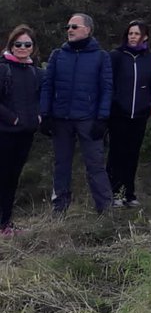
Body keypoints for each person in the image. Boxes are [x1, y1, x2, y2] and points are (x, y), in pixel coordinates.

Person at [40, 13, 114, 214]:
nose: (69, 30)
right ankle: (59, 210)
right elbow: (47, 85)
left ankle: (106, 210)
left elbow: (107, 89)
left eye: (74, 26)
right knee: (61, 165)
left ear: (87, 30)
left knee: (95, 166)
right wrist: (45, 114)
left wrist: (103, 118)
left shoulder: (101, 56)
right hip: (61, 120)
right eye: (68, 27)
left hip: (89, 120)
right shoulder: (58, 55)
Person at [107, 18, 151, 207]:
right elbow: (109, 82)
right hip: (118, 114)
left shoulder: (149, 58)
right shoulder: (116, 56)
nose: (133, 37)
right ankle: (114, 193)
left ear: (144, 36)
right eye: (130, 33)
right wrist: (115, 102)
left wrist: (149, 103)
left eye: (137, 33)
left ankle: (129, 193)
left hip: (139, 114)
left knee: (132, 155)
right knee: (116, 154)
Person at [0, 25, 43, 235]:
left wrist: (38, 117)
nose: (23, 48)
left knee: (12, 178)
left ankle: (5, 224)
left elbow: (41, 98)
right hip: (5, 133)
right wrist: (13, 119)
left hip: (26, 134)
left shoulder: (34, 71)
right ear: (11, 44)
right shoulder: (3, 68)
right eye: (19, 44)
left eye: (27, 44)